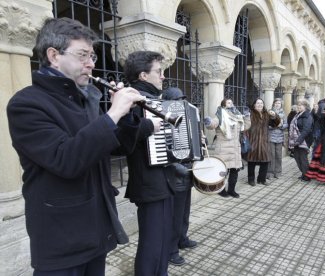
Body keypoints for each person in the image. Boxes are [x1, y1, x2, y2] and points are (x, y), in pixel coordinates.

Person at [6, 18, 145, 275]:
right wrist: (112, 114)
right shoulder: (26, 104)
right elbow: (65, 160)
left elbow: (116, 149)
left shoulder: (86, 98)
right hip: (62, 237)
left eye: (92, 55)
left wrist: (127, 117)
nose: (91, 63)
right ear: (54, 56)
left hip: (97, 228)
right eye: (83, 55)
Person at [122, 51, 175, 276]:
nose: (162, 77)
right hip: (148, 181)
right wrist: (147, 127)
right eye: (158, 72)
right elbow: (122, 140)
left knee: (163, 237)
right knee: (152, 242)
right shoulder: (131, 99)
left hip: (163, 180)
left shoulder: (155, 100)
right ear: (143, 75)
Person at [161, 87, 198, 266]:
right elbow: (163, 149)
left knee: (184, 212)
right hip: (174, 174)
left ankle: (182, 239)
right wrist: (176, 165)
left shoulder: (186, 118)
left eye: (182, 99)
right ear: (167, 101)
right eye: (176, 100)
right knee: (175, 216)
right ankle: (171, 250)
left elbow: (192, 142)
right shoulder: (162, 118)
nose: (180, 103)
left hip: (187, 171)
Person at [204, 98, 250, 197]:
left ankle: (231, 190)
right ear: (224, 105)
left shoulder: (237, 116)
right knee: (223, 171)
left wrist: (246, 116)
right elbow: (213, 124)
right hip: (223, 149)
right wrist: (208, 122)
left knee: (234, 171)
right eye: (229, 102)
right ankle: (221, 190)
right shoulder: (220, 115)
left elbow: (245, 126)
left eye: (232, 102)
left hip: (235, 149)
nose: (231, 104)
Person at [246, 98, 280, 186]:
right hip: (253, 141)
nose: (260, 105)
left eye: (261, 103)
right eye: (258, 103)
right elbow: (245, 127)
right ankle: (251, 179)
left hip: (264, 141)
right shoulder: (250, 114)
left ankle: (262, 179)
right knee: (251, 161)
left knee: (265, 161)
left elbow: (275, 124)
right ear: (254, 105)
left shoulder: (266, 114)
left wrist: (274, 116)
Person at [288, 99, 314, 182]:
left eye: (301, 105)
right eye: (298, 105)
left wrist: (299, 140)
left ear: (305, 107)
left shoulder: (308, 116)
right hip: (297, 140)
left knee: (302, 158)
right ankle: (304, 173)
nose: (299, 106)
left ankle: (307, 176)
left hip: (304, 140)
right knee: (296, 156)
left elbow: (306, 129)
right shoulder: (298, 115)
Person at [267, 98, 288, 179]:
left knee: (278, 156)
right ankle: (270, 173)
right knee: (271, 155)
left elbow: (286, 124)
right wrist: (273, 126)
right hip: (271, 136)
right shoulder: (269, 113)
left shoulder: (283, 113)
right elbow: (266, 124)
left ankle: (278, 172)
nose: (277, 104)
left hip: (280, 137)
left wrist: (281, 126)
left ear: (281, 105)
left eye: (279, 103)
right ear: (273, 104)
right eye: (276, 103)